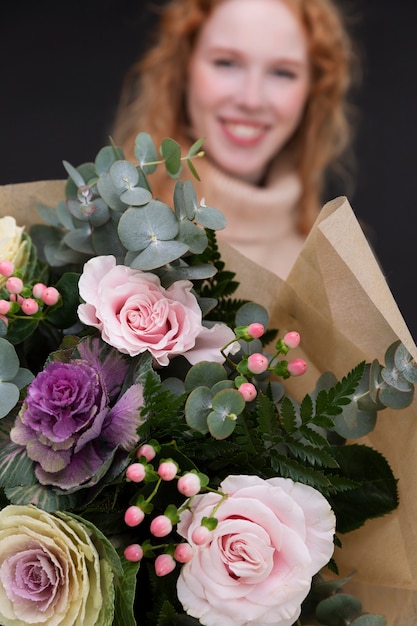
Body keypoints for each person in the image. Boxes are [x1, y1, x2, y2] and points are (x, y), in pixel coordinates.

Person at [112, 0, 357, 279]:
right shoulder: (110, 234)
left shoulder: (333, 268)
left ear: (313, 90)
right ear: (183, 68)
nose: (251, 100)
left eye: (282, 72)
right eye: (226, 63)